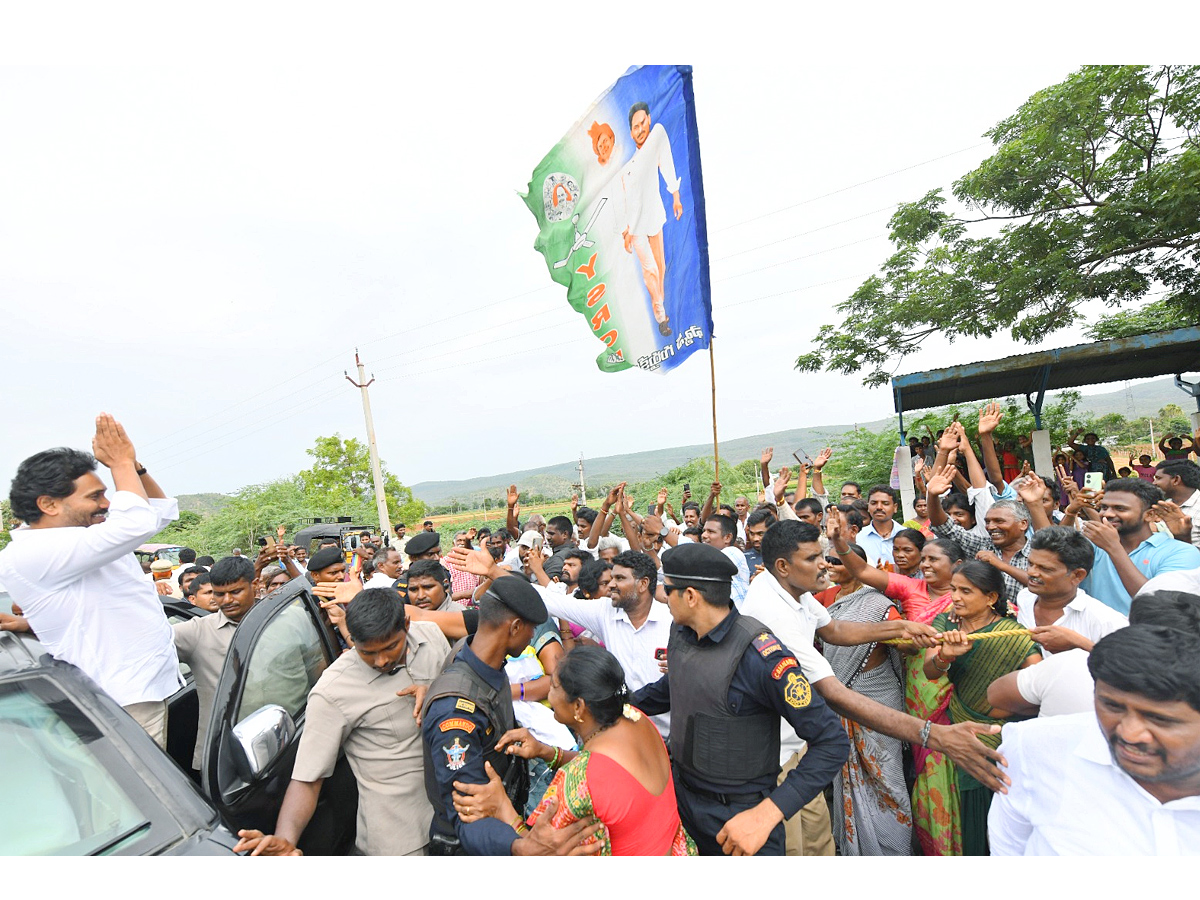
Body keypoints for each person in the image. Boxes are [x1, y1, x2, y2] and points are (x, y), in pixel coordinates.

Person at [631, 542, 850, 856]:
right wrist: (624, 705)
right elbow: (675, 685)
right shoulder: (682, 632)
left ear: (691, 596)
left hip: (741, 817)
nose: (662, 599)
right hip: (684, 800)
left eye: (668, 590)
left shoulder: (761, 657)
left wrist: (768, 814)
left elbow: (831, 742)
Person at [0, 415, 182, 747]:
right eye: (95, 496)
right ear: (49, 504)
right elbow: (136, 523)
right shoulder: (33, 553)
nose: (107, 503)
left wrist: (134, 467)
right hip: (116, 704)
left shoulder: (86, 537)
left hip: (134, 694)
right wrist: (120, 464)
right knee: (137, 798)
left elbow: (158, 513)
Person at [232, 588, 449, 856]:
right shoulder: (333, 691)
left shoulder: (432, 636)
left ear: (406, 625)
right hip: (401, 837)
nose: (381, 661)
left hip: (456, 810)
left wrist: (437, 693)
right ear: (352, 640)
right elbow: (308, 778)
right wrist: (286, 839)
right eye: (367, 652)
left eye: (391, 647)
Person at [451, 646, 697, 855]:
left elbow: (541, 849)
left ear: (579, 706)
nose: (549, 693)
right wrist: (547, 752)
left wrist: (502, 805)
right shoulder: (637, 718)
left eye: (555, 687)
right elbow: (614, 772)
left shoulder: (577, 781)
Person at [420, 576, 599, 856]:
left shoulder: (486, 662)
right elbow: (467, 812)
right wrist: (521, 846)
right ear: (515, 627)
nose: (531, 637)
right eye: (531, 630)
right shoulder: (456, 709)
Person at [989, 622, 1200, 855]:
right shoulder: (1035, 747)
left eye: (1159, 719)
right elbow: (1008, 850)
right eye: (1112, 706)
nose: (1129, 733)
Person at [917, 560, 1041, 855]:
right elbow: (931, 671)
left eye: (966, 591)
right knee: (958, 807)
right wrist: (945, 656)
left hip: (1001, 736)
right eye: (953, 590)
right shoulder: (945, 625)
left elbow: (1036, 688)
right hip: (957, 728)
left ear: (991, 598)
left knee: (996, 814)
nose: (956, 597)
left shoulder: (1012, 635)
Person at [817, 543, 912, 855]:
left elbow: (904, 647)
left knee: (888, 781)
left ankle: (894, 848)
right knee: (843, 776)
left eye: (836, 560)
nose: (829, 565)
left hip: (879, 697)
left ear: (854, 564)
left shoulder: (879, 604)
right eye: (826, 560)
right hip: (838, 698)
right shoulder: (823, 601)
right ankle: (855, 849)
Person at [172, 556, 258, 771]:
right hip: (222, 758)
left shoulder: (287, 621)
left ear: (255, 585)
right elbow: (144, 647)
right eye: (219, 594)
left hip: (283, 747)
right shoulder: (197, 631)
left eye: (235, 592)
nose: (226, 600)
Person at [1078, 478, 1200, 614]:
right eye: (1104, 507)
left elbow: (1161, 606)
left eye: (1120, 508)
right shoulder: (1093, 546)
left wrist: (1113, 548)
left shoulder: (1182, 552)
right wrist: (1071, 512)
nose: (1107, 514)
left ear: (1150, 515)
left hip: (1146, 634)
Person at [619, 100, 682, 337]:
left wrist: (675, 194)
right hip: (636, 229)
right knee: (650, 271)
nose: (641, 129)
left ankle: (661, 308)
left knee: (660, 267)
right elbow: (624, 201)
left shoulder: (655, 139)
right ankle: (661, 317)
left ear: (649, 120)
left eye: (643, 123)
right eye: (635, 126)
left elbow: (665, 160)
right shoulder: (627, 169)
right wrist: (625, 231)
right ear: (631, 131)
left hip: (654, 218)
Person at [1014, 526, 1128, 654]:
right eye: (1030, 564)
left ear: (1077, 575)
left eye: (1045, 569)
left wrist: (1079, 643)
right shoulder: (1025, 598)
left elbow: (1130, 666)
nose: (1031, 572)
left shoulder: (1106, 621)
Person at [1152, 459, 1200, 545]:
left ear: (1176, 480)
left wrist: (1183, 537)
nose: (1154, 483)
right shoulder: (1164, 505)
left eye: (1158, 478)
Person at [857, 485, 903, 567]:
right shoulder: (858, 538)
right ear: (868, 507)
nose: (879, 507)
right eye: (874, 503)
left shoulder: (906, 535)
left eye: (885, 503)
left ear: (895, 507)